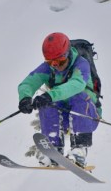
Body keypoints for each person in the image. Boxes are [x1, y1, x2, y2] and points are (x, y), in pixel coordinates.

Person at [17, 32, 100, 167]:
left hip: (87, 115)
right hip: (64, 118)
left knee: (78, 96)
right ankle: (54, 151)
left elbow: (76, 85)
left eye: (59, 61)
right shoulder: (48, 68)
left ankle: (79, 149)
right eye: (51, 62)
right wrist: (25, 98)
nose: (55, 65)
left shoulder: (81, 64)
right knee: (47, 104)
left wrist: (50, 95)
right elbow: (28, 83)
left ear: (68, 54)